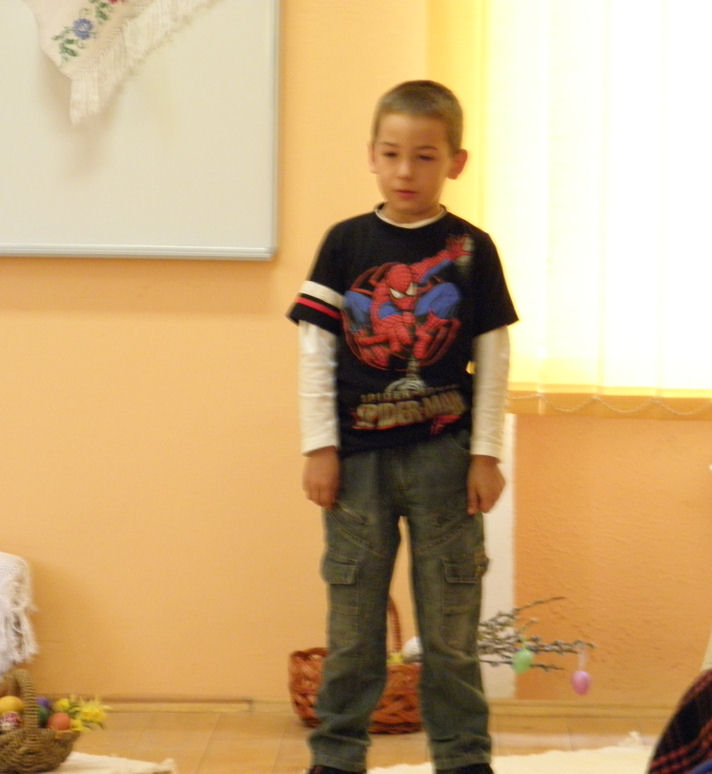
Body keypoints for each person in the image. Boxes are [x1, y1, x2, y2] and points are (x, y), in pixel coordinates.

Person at [287, 80, 518, 774]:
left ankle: (463, 758)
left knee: (450, 632)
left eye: (424, 156)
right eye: (391, 154)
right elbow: (315, 352)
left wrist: (486, 454)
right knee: (354, 631)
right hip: (357, 466)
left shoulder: (472, 250)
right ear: (371, 156)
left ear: (456, 162)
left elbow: (494, 355)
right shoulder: (344, 243)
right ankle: (336, 756)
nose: (405, 170)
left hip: (446, 460)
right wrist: (319, 447)